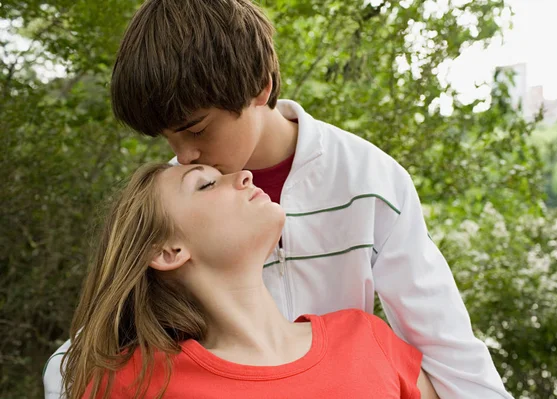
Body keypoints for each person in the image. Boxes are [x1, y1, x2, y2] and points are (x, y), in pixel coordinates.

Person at [44, 1, 512, 398]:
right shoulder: (177, 206)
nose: (183, 155)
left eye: (195, 129)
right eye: (167, 138)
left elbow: (445, 342)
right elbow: (96, 339)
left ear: (259, 89)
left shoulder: (367, 178)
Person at [62, 163, 438, 399]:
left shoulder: (368, 339)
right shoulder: (130, 382)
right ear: (168, 251)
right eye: (205, 185)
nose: (244, 175)